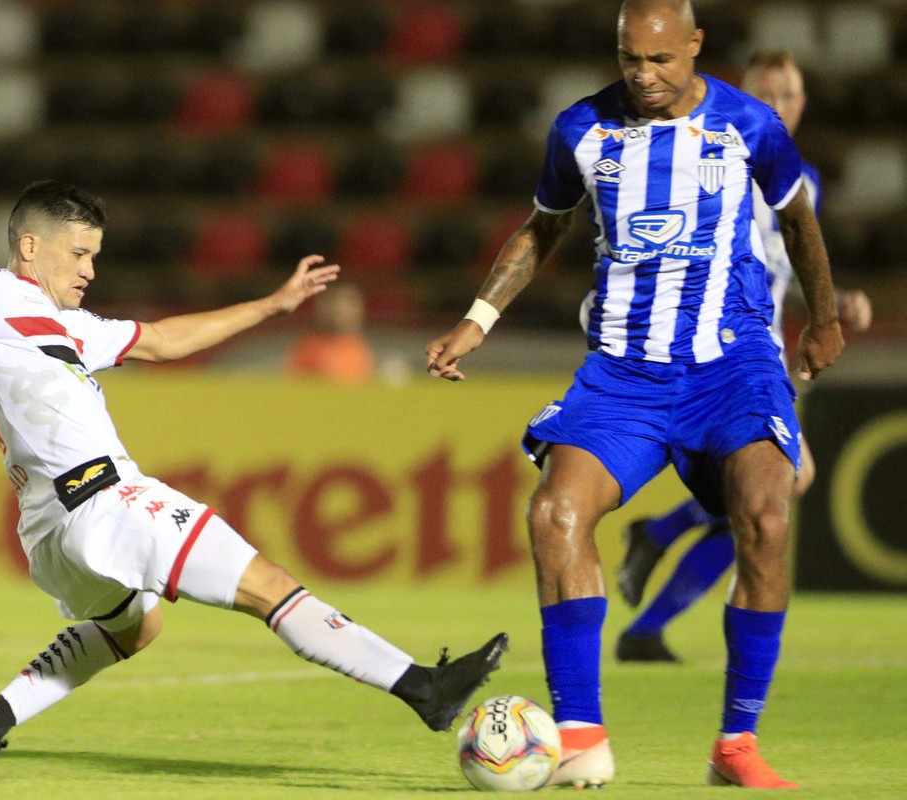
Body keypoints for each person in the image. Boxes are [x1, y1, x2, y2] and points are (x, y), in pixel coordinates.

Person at [0, 180, 507, 781]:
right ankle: (422, 688)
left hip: (52, 534)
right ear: (31, 248)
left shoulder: (73, 328)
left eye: (95, 254)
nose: (92, 269)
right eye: (79, 253)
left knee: (137, 627)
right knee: (270, 587)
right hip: (103, 499)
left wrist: (271, 305)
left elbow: (162, 340)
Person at [426, 0, 844, 789]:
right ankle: (581, 736)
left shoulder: (748, 125)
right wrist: (478, 319)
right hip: (625, 372)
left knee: (766, 512)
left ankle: (736, 744)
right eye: (630, 61)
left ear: (695, 47)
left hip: (734, 364)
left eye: (660, 61)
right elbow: (543, 227)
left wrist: (821, 319)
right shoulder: (581, 130)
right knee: (554, 514)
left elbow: (802, 224)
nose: (644, 78)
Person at [615, 50, 873, 663]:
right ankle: (657, 558)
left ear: (804, 104)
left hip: (763, 357)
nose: (780, 105)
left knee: (762, 498)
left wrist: (835, 305)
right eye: (768, 93)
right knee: (783, 483)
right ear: (740, 95)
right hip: (713, 354)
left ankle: (648, 618)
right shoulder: (712, 158)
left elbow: (785, 266)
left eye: (791, 94)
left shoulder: (799, 178)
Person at [284, 283, 376, 384]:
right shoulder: (309, 349)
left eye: (352, 306)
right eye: (339, 306)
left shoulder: (361, 347)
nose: (347, 313)